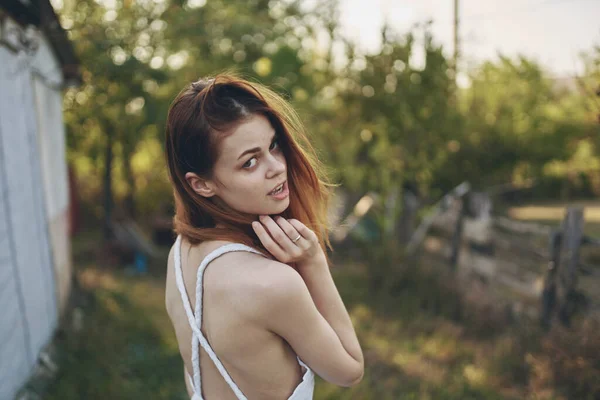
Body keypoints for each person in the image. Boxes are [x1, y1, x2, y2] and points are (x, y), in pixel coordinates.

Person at [164, 73, 364, 400]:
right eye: (250, 162)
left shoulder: (180, 253)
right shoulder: (272, 284)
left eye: (273, 145)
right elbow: (350, 369)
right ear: (201, 184)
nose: (277, 167)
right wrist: (313, 262)